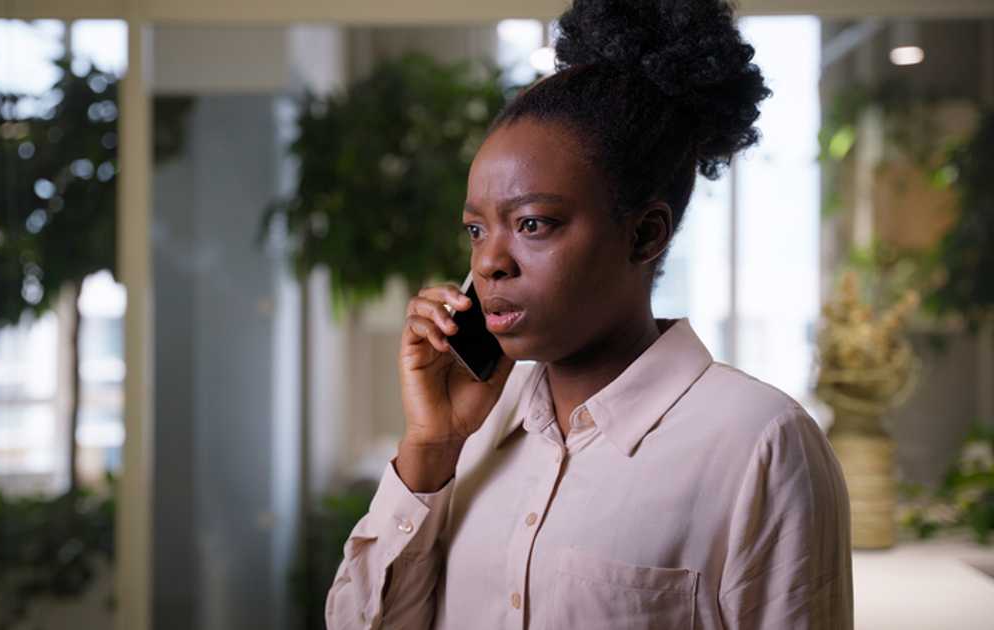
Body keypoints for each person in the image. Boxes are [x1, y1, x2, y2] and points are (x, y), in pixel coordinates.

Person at [325, 0, 853, 628]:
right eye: (475, 228)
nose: (490, 261)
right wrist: (431, 448)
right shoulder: (476, 429)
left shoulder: (760, 444)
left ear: (645, 235)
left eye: (532, 224)